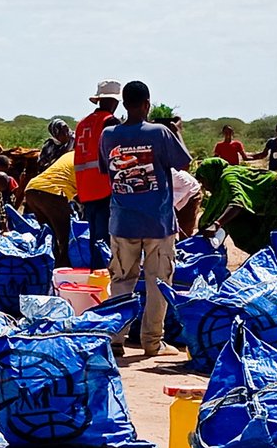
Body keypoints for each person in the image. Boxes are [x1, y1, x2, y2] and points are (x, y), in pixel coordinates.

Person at [98, 80, 192, 356]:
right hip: (158, 224)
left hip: (122, 222)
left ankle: (116, 339)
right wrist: (177, 132)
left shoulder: (109, 135)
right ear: (147, 104)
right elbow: (183, 163)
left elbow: (107, 170)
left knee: (121, 281)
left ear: (124, 104)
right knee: (158, 282)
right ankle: (152, 342)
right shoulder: (160, 133)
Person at [195, 158, 277, 254]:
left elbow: (237, 203)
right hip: (269, 203)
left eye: (204, 181)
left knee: (276, 242)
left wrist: (216, 225)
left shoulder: (228, 178)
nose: (204, 186)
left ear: (211, 175)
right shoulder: (225, 178)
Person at [75, 80, 123, 266]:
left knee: (94, 237)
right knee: (106, 240)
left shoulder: (82, 124)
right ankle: (104, 279)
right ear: (115, 101)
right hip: (104, 187)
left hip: (85, 189)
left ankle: (95, 275)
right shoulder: (110, 122)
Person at [24, 150, 77, 267]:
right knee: (65, 235)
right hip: (52, 192)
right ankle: (64, 266)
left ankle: (50, 265)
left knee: (50, 234)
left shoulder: (70, 155)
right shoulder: (85, 159)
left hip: (32, 190)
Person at [171, 168, 203, 238]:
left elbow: (186, 184)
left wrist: (170, 203)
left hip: (191, 193)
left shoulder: (172, 173)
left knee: (186, 227)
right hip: (177, 197)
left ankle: (186, 245)